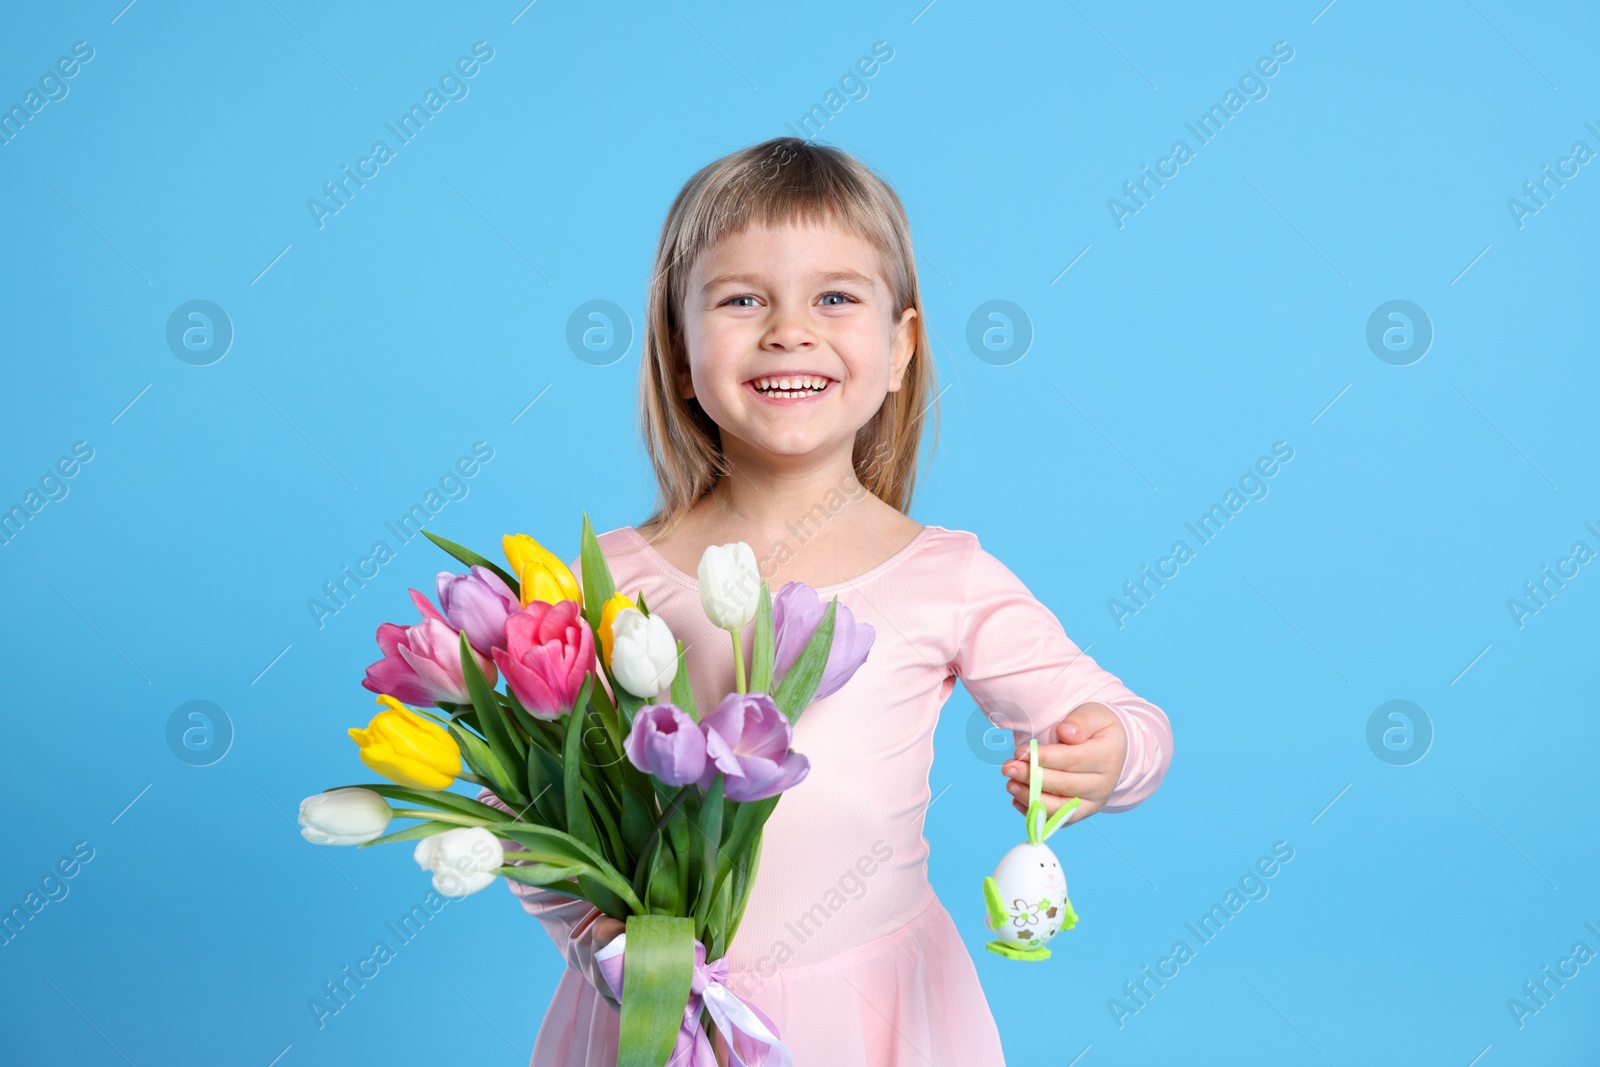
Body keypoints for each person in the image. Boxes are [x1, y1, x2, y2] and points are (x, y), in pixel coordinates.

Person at [479, 135, 1173, 1066]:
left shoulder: (947, 577)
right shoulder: (599, 588)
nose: (789, 329)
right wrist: (607, 944)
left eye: (835, 297)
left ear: (900, 349)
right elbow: (521, 800)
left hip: (875, 1014)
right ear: (679, 351)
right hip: (652, 1013)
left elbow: (1128, 721)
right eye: (741, 299)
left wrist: (1111, 749)